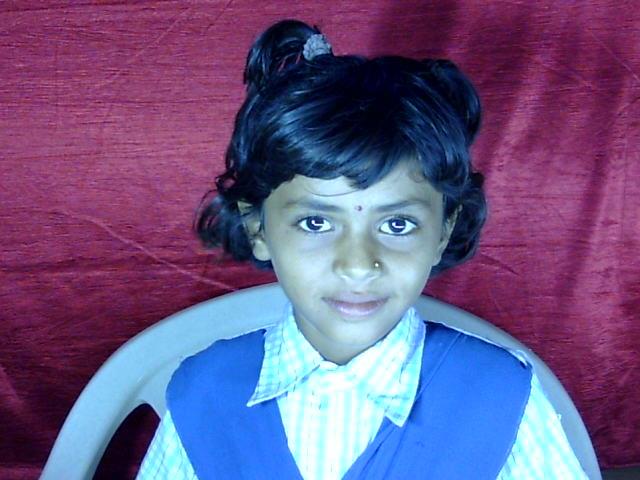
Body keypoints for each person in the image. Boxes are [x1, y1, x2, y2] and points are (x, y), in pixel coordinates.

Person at [137, 19, 587, 479]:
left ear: (443, 232)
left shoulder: (501, 398)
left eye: (397, 224)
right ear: (258, 228)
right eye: (316, 223)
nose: (357, 265)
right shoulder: (204, 395)